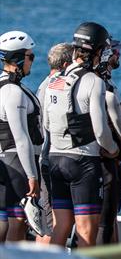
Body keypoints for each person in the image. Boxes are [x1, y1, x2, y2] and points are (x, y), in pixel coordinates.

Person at [43, 22, 119, 247]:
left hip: (56, 158)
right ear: (97, 51)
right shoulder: (94, 81)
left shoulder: (53, 80)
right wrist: (114, 150)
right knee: (87, 232)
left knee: (61, 226)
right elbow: (100, 131)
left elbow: (46, 122)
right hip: (84, 162)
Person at [0, 31, 42, 242]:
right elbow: (21, 138)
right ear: (17, 58)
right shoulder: (13, 92)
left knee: (4, 223)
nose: (32, 62)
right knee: (17, 224)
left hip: (4, 163)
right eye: (30, 56)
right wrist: (32, 176)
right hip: (17, 164)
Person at [34, 42, 73, 244]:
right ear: (67, 62)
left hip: (48, 159)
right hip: (49, 159)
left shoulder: (44, 84)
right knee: (50, 225)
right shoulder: (53, 87)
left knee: (55, 221)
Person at [95, 37, 121, 244]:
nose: (119, 55)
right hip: (107, 158)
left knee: (110, 216)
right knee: (104, 220)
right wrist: (116, 149)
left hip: (107, 157)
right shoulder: (104, 86)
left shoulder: (104, 82)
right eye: (115, 52)